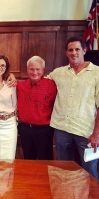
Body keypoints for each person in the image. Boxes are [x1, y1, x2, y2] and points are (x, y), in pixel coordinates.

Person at [48, 37, 99, 179]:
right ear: (66, 53)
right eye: (70, 50)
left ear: (84, 50)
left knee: (90, 171)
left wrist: (96, 134)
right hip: (61, 129)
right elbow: (40, 81)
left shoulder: (96, 73)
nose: (74, 53)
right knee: (64, 170)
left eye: (77, 49)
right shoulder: (58, 73)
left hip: (86, 131)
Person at [17, 56, 57, 160]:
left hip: (44, 130)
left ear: (43, 70)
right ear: (27, 70)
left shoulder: (51, 85)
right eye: (32, 69)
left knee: (45, 161)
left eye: (38, 69)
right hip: (25, 129)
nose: (35, 72)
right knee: (28, 160)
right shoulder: (20, 85)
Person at [0, 55, 17, 160]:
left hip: (10, 125)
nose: (0, 67)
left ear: (6, 68)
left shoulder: (10, 83)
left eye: (3, 66)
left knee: (9, 157)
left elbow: (15, 104)